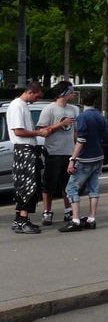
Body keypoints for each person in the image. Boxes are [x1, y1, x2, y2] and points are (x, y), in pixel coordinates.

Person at [9, 81, 52, 234]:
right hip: (24, 150)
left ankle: (19, 220)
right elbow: (18, 131)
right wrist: (38, 133)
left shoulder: (22, 105)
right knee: (28, 187)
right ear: (31, 92)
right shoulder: (17, 106)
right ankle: (23, 220)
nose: (38, 100)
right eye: (38, 97)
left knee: (25, 186)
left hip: (27, 149)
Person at [60, 88, 105, 232]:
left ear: (81, 102)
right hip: (98, 156)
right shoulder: (100, 116)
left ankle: (76, 220)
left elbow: (81, 140)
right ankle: (91, 218)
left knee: (71, 189)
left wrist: (72, 159)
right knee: (93, 189)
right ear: (95, 102)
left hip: (85, 158)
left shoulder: (82, 118)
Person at [38, 81, 78, 225]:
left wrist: (76, 150)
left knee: (67, 185)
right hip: (53, 152)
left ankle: (68, 211)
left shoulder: (73, 110)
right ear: (64, 93)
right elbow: (43, 131)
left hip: (69, 153)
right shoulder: (49, 109)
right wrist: (61, 124)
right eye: (72, 92)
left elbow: (75, 131)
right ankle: (47, 212)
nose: (74, 94)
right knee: (49, 185)